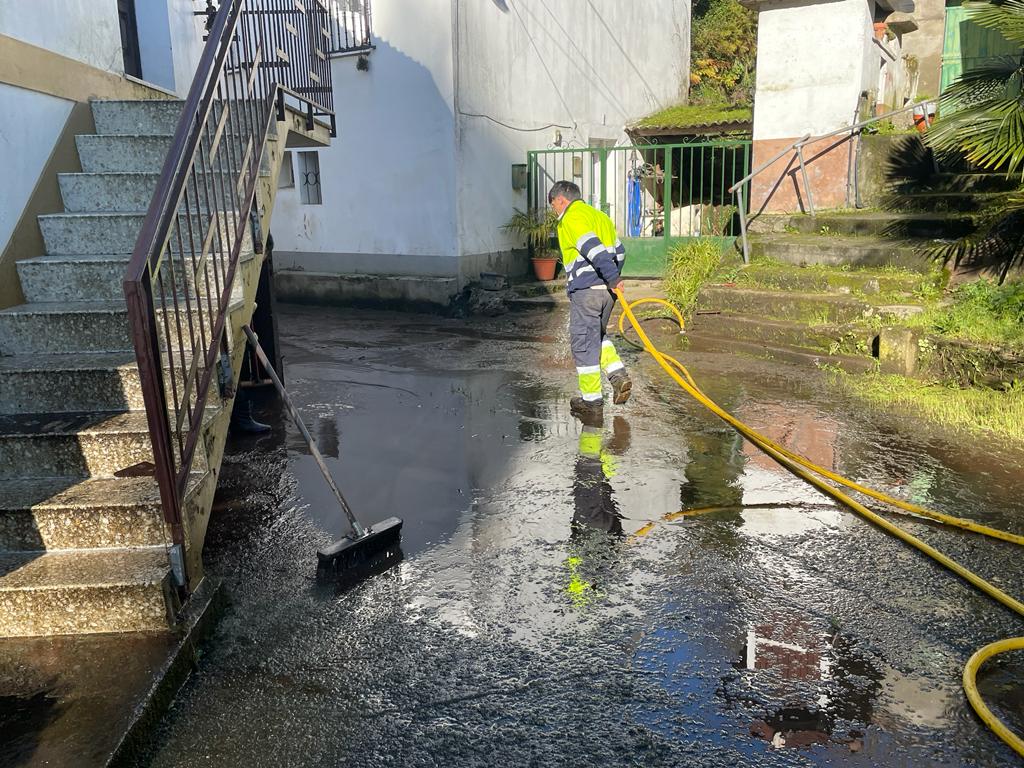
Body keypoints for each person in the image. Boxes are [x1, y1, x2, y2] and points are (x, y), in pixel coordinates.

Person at [548, 181, 632, 423]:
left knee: (583, 344)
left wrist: (612, 277)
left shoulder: (572, 217)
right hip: (606, 292)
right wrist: (612, 279)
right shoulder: (600, 216)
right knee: (598, 336)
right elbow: (621, 250)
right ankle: (618, 377)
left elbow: (592, 248)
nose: (554, 210)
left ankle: (591, 401)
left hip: (587, 290)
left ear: (561, 199)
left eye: (553, 204)